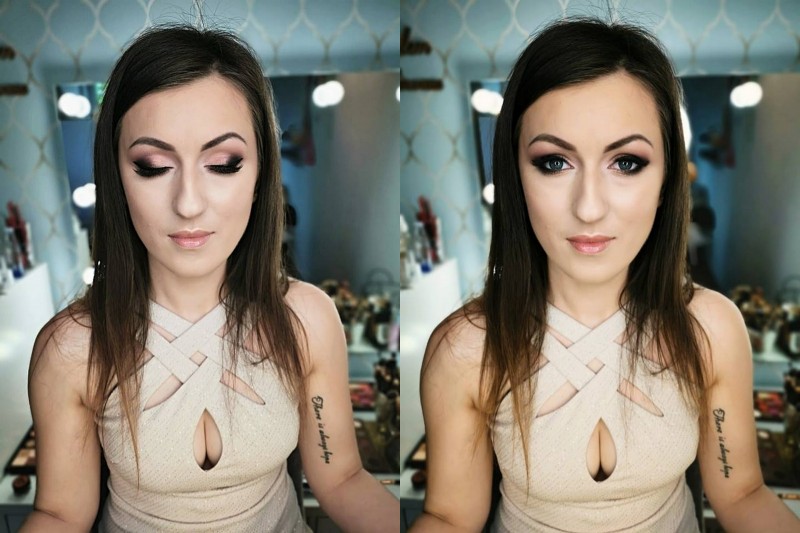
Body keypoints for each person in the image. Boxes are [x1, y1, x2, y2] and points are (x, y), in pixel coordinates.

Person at [411, 18, 800, 533]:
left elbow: (743, 494)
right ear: (515, 176)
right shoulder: (466, 349)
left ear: (666, 179)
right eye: (554, 162)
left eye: (627, 163)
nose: (589, 207)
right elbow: (450, 518)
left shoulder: (712, 329)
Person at [22, 25, 399, 533]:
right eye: (152, 166)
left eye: (223, 164)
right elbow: (61, 514)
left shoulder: (307, 319)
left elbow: (344, 479)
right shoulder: (72, 349)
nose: (189, 203)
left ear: (260, 174)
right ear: (117, 179)